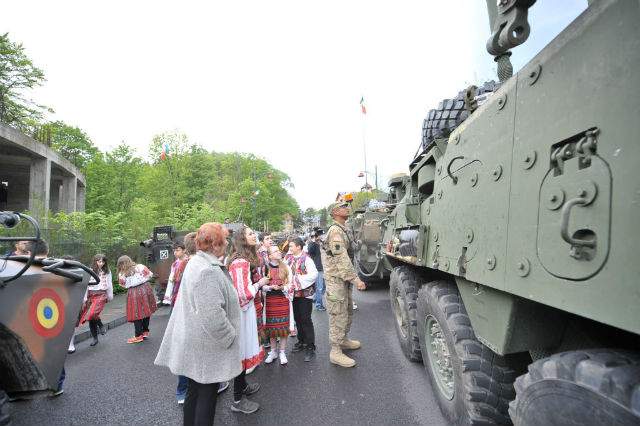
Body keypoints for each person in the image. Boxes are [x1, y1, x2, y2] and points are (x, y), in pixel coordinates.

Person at [155, 223, 241, 425]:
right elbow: (212, 315)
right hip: (206, 346)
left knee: (194, 392)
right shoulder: (207, 270)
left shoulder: (197, 262)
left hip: (196, 342)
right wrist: (229, 336)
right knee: (206, 396)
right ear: (215, 244)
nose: (227, 242)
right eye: (224, 239)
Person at [227, 225, 267, 414]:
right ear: (242, 239)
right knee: (241, 352)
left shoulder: (242, 259)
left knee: (244, 351)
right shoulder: (240, 262)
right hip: (242, 313)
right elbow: (242, 295)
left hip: (245, 311)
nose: (255, 235)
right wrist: (259, 284)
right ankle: (237, 400)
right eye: (251, 233)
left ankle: (242, 387)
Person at [321, 202, 367, 368]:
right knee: (338, 314)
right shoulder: (335, 231)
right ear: (335, 212)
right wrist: (355, 279)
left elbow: (353, 248)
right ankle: (335, 351)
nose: (347, 208)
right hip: (336, 280)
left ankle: (344, 340)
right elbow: (341, 258)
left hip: (342, 280)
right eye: (343, 206)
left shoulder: (343, 228)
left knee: (347, 310)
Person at [287, 237, 318, 362]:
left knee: (306, 319)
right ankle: (301, 341)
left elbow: (313, 275)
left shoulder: (307, 259)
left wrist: (297, 280)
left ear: (298, 247)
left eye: (291, 246)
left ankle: (310, 346)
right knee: (297, 318)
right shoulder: (288, 259)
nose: (289, 249)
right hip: (293, 294)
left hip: (305, 294)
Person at [261, 245, 293, 365]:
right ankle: (273, 351)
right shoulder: (265, 268)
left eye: (278, 250)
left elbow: (291, 283)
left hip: (283, 300)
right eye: (275, 251)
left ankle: (282, 352)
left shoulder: (286, 266)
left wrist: (283, 287)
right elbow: (261, 284)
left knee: (283, 329)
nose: (279, 252)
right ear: (269, 256)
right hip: (270, 301)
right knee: (271, 329)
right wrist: (269, 287)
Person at [116, 255, 157, 344]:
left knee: (136, 313)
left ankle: (138, 335)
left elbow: (122, 284)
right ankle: (145, 331)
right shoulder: (140, 266)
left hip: (133, 292)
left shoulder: (122, 274)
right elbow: (150, 275)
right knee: (146, 310)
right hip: (146, 288)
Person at [79, 254, 113, 347]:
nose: (101, 263)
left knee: (91, 314)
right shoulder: (89, 270)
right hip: (91, 295)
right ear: (95, 261)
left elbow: (109, 284)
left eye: (103, 261)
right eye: (99, 261)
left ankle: (101, 325)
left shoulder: (107, 271)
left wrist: (110, 296)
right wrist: (85, 298)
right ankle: (95, 338)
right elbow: (85, 285)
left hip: (101, 294)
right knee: (91, 319)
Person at [163, 242, 188, 306]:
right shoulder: (175, 264)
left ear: (184, 250)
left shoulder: (188, 261)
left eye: (177, 250)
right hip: (176, 290)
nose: (175, 252)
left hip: (185, 290)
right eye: (174, 251)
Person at [307, 231, 325, 311]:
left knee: (323, 287)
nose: (322, 236)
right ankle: (319, 304)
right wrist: (313, 239)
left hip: (322, 268)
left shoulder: (320, 244)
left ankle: (315, 298)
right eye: (321, 235)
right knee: (319, 288)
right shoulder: (313, 244)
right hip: (318, 269)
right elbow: (310, 251)